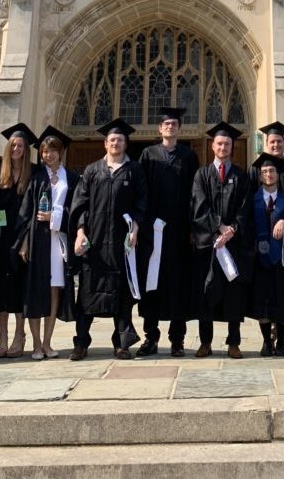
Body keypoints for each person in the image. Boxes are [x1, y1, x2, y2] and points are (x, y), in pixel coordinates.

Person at [70, 119, 147, 360]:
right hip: (94, 241)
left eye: (120, 140)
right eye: (112, 140)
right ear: (105, 143)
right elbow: (80, 203)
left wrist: (135, 228)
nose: (116, 143)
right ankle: (81, 343)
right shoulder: (93, 170)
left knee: (121, 294)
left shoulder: (134, 170)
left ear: (126, 144)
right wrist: (81, 231)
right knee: (87, 292)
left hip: (120, 243)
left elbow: (141, 203)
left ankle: (121, 344)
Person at [136, 108, 199, 357]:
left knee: (178, 284)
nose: (170, 127)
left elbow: (195, 195)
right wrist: (143, 224)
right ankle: (150, 337)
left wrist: (193, 228)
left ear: (179, 129)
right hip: (153, 232)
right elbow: (141, 192)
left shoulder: (189, 156)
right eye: (166, 124)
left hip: (179, 233)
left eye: (174, 124)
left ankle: (177, 339)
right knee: (151, 285)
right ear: (160, 129)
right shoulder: (148, 155)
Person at [191, 121, 253, 359]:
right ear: (212, 145)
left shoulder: (241, 176)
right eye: (219, 143)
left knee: (233, 293)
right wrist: (219, 226)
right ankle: (205, 342)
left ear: (232, 147)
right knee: (206, 292)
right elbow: (198, 204)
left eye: (227, 143)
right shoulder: (202, 174)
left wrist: (233, 229)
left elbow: (245, 208)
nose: (223, 146)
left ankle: (233, 342)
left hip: (233, 245)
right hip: (208, 245)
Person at [17, 126, 79, 360]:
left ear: (61, 152)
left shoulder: (71, 178)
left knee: (54, 290)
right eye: (44, 151)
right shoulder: (36, 178)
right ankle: (35, 344)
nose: (49, 155)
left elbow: (76, 210)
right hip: (38, 239)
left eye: (53, 150)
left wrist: (55, 219)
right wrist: (24, 242)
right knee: (35, 292)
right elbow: (25, 213)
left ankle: (47, 342)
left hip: (59, 242)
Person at [247, 121, 284, 351]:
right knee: (264, 294)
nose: (276, 145)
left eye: (279, 142)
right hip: (261, 249)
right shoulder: (255, 171)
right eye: (272, 141)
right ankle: (267, 339)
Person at [0, 123, 38, 359]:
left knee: (20, 287)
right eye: (14, 145)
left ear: (27, 150)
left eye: (21, 146)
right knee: (2, 288)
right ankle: (3, 335)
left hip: (24, 236)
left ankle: (20, 334)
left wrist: (26, 239)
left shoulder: (35, 174)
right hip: (0, 237)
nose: (17, 148)